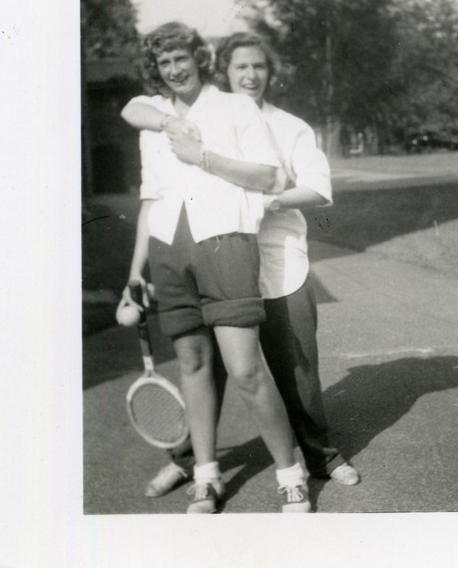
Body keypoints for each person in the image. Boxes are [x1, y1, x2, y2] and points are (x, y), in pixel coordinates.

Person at [122, 31, 360, 498]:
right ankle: (197, 468)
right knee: (197, 364)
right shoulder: (157, 115)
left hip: (254, 251)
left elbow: (281, 179)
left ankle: (314, 462)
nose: (174, 68)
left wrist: (207, 161)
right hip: (182, 252)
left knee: (274, 367)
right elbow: (137, 131)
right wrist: (135, 274)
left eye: (259, 67)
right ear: (227, 69)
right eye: (165, 61)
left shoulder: (260, 116)